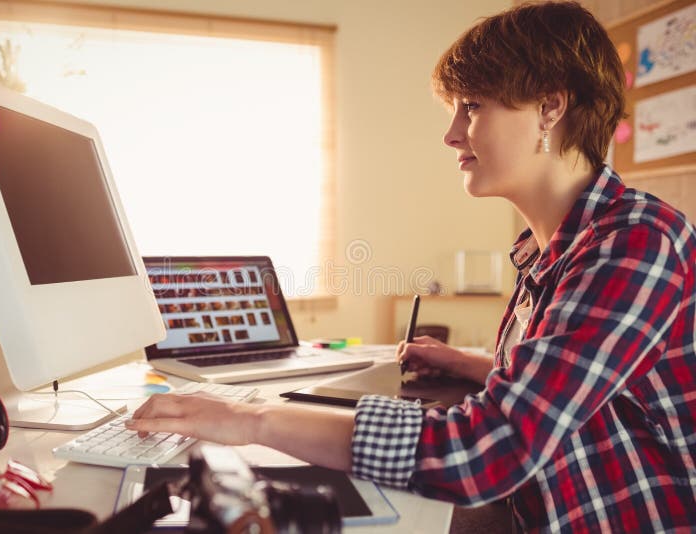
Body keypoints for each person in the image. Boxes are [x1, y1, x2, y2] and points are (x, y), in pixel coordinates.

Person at [127, 2, 696, 531]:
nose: (451, 134)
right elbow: (574, 380)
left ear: (550, 106)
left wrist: (247, 419)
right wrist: (477, 363)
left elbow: (489, 450)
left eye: (472, 107)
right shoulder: (552, 248)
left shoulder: (635, 243)